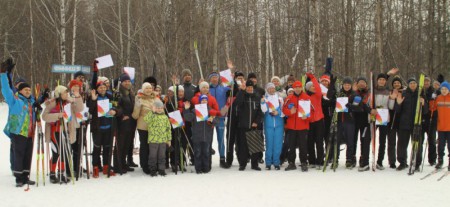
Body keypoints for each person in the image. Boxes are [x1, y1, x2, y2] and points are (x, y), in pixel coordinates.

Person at [1, 63, 37, 187]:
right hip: (18, 132)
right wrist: (3, 74)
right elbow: (6, 89)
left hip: (30, 132)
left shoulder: (30, 102)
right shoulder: (15, 100)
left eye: (29, 90)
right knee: (19, 154)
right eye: (25, 90)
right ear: (20, 91)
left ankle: (26, 176)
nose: (28, 91)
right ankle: (19, 178)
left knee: (28, 155)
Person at [42, 85, 83, 183]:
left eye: (67, 92)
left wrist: (78, 97)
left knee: (65, 152)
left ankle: (61, 173)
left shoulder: (69, 102)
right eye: (65, 92)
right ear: (59, 94)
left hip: (66, 130)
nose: (67, 94)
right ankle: (52, 174)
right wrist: (57, 115)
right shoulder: (52, 103)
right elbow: (44, 116)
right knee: (56, 152)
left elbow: (80, 109)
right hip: (55, 131)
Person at [395, 77, 428, 171]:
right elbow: (397, 111)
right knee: (402, 144)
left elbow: (425, 111)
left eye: (414, 83)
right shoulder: (404, 94)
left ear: (417, 84)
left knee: (417, 145)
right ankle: (402, 162)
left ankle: (416, 163)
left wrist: (424, 104)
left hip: (416, 124)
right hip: (404, 124)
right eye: (411, 83)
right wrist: (398, 103)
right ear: (408, 85)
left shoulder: (421, 94)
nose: (413, 85)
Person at [87, 80, 117, 178]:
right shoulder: (93, 97)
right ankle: (95, 167)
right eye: (100, 87)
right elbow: (90, 110)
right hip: (98, 128)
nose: (103, 89)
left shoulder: (109, 96)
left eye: (104, 87)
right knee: (97, 148)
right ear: (97, 89)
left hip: (108, 126)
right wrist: (93, 100)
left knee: (107, 148)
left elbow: (115, 106)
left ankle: (106, 166)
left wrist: (114, 111)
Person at [183, 95, 220, 173]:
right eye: (202, 100)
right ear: (199, 101)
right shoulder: (195, 110)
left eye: (205, 100)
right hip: (197, 136)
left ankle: (206, 168)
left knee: (206, 153)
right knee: (198, 153)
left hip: (207, 136)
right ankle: (198, 168)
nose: (204, 101)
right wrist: (186, 110)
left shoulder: (210, 110)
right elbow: (188, 118)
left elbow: (217, 121)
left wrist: (212, 120)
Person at [282, 81, 311, 172]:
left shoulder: (306, 98)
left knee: (303, 146)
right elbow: (283, 109)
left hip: (302, 126)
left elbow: (312, 111)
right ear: (293, 88)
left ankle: (303, 162)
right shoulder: (289, 98)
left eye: (299, 87)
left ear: (301, 88)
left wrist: (307, 117)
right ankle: (291, 163)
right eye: (296, 87)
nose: (297, 89)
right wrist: (290, 112)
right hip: (291, 127)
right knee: (291, 145)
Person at [235, 80, 263, 171]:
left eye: (251, 87)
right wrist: (242, 91)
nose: (250, 89)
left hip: (254, 125)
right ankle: (242, 164)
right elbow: (238, 103)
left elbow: (260, 112)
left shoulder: (257, 97)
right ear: (246, 88)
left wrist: (256, 121)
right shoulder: (242, 95)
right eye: (248, 87)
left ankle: (254, 164)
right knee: (243, 146)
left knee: (255, 146)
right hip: (243, 125)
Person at [350, 77, 377, 172]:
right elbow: (354, 104)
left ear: (366, 84)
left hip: (365, 122)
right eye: (360, 82)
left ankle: (364, 161)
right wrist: (354, 93)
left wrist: (371, 110)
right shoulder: (353, 93)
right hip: (354, 121)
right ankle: (352, 158)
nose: (362, 84)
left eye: (363, 82)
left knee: (364, 141)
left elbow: (365, 105)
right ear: (357, 84)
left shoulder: (369, 94)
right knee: (353, 140)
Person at [132, 82, 157, 174]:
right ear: (143, 89)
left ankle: (152, 164)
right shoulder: (139, 98)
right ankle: (144, 164)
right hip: (143, 125)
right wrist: (138, 106)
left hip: (154, 126)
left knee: (152, 146)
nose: (149, 90)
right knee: (144, 145)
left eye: (150, 88)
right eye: (146, 88)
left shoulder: (154, 98)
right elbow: (135, 115)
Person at [114, 73, 137, 173]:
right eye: (125, 81)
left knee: (127, 144)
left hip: (131, 122)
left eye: (128, 81)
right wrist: (122, 115)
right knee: (120, 145)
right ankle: (118, 166)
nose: (127, 83)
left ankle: (124, 163)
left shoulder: (130, 93)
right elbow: (116, 106)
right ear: (121, 83)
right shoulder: (118, 93)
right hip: (122, 122)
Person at [208, 71, 230, 168]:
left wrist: (225, 110)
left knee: (221, 138)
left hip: (220, 116)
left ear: (218, 78)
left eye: (216, 77)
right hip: (211, 116)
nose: (214, 79)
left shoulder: (223, 88)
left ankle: (222, 158)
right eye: (212, 77)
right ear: (210, 79)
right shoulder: (207, 89)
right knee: (209, 138)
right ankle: (208, 159)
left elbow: (233, 90)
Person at [144, 100, 172, 176]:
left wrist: (169, 139)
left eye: (160, 108)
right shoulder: (152, 115)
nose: (159, 109)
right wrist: (152, 112)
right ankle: (152, 169)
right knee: (153, 156)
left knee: (162, 156)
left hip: (163, 140)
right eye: (157, 108)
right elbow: (146, 120)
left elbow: (168, 128)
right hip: (153, 140)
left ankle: (161, 169)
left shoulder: (165, 117)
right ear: (154, 108)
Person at [260, 83, 284, 170]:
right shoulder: (265, 99)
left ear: (275, 89)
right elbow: (264, 110)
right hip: (268, 124)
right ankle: (268, 163)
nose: (271, 90)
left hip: (279, 124)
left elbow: (284, 111)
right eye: (269, 88)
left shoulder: (280, 99)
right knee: (269, 143)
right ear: (267, 89)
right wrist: (262, 103)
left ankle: (276, 162)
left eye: (272, 88)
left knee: (278, 144)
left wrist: (279, 113)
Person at [305, 72, 325, 169]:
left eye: (314, 86)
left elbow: (318, 88)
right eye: (311, 86)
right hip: (309, 121)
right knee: (310, 141)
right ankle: (312, 160)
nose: (313, 87)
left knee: (319, 141)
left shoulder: (317, 95)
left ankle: (320, 161)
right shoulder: (305, 97)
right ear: (307, 88)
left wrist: (313, 78)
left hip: (319, 120)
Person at [336, 77, 357, 169]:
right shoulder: (339, 94)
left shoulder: (354, 95)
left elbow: (358, 107)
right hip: (339, 120)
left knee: (350, 141)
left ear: (351, 85)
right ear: (342, 85)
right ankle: (335, 159)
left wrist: (351, 106)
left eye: (348, 85)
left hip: (350, 121)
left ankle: (349, 159)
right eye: (345, 84)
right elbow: (331, 101)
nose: (347, 86)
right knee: (337, 140)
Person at [386, 76, 404, 169]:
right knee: (391, 142)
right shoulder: (390, 93)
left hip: (401, 121)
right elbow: (389, 107)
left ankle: (402, 160)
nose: (396, 84)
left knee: (401, 143)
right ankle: (392, 161)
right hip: (391, 121)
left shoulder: (404, 93)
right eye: (395, 83)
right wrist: (392, 98)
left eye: (398, 83)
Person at [434, 81, 450, 170]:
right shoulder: (438, 98)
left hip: (449, 127)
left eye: (446, 89)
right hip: (441, 127)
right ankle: (440, 161)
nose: (444, 91)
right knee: (440, 145)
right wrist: (432, 100)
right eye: (442, 89)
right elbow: (433, 108)